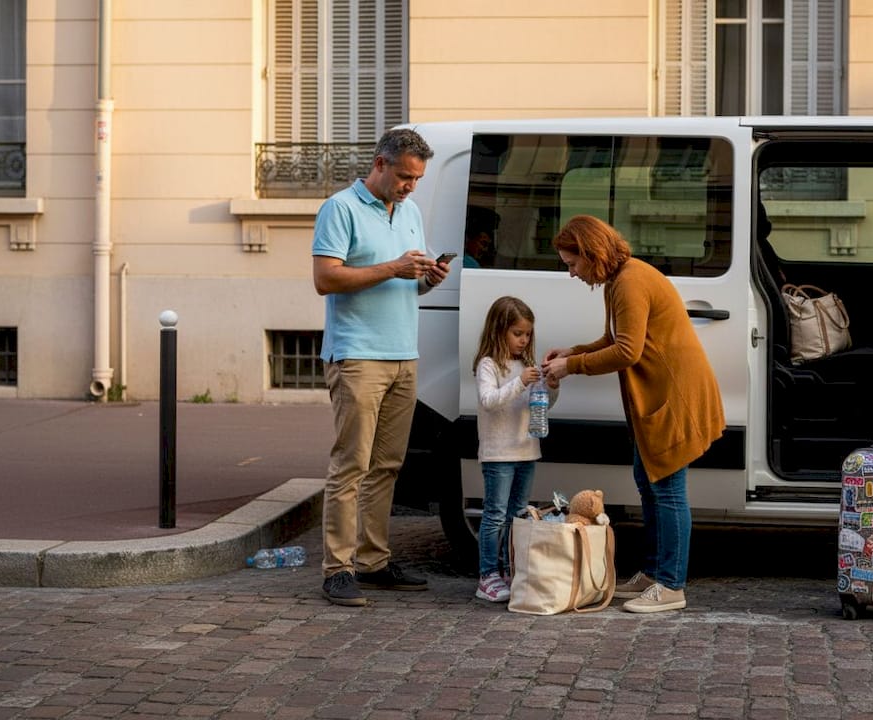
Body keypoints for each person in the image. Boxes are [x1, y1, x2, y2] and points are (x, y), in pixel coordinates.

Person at [541, 215, 725, 614]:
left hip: (673, 395)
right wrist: (573, 351)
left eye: (572, 264)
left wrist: (572, 367)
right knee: (649, 481)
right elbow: (616, 339)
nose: (571, 273)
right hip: (661, 394)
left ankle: (671, 585)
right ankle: (655, 572)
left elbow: (627, 351)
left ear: (591, 254)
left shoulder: (629, 281)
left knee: (668, 490)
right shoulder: (619, 280)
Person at [311, 128, 451, 606]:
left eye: (417, 179)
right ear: (380, 164)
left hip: (403, 355)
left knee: (387, 466)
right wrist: (393, 267)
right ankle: (337, 569)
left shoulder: (409, 211)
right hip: (357, 356)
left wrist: (427, 278)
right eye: (405, 176)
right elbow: (326, 278)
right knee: (350, 464)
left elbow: (408, 286)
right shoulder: (340, 208)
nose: (411, 186)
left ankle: (372, 560)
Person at [472, 296, 560, 602]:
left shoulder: (526, 365)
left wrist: (551, 385)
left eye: (527, 334)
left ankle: (511, 569)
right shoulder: (488, 365)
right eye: (517, 334)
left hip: (526, 451)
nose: (524, 340)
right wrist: (521, 382)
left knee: (518, 515)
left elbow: (542, 405)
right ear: (499, 331)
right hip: (499, 454)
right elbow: (490, 400)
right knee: (495, 515)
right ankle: (487, 575)